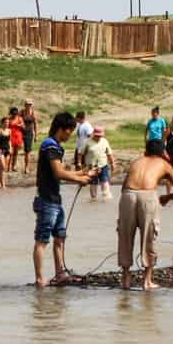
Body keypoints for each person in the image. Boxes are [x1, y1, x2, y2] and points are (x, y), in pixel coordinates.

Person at [32, 112, 98, 287]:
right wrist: (80, 179)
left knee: (60, 237)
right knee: (42, 240)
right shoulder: (50, 146)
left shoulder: (56, 147)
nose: (71, 135)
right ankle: (40, 279)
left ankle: (60, 273)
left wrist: (84, 173)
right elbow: (59, 173)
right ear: (62, 129)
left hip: (55, 200)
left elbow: (61, 173)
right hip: (46, 200)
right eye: (70, 131)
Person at [117, 138, 173, 290]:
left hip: (127, 195)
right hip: (148, 196)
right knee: (149, 237)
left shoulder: (136, 161)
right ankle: (147, 281)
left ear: (146, 150)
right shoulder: (164, 164)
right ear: (163, 152)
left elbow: (123, 187)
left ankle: (126, 279)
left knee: (125, 235)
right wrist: (167, 197)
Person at [84, 126, 114, 200]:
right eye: (97, 136)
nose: (98, 137)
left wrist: (112, 163)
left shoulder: (105, 141)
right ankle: (93, 198)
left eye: (99, 136)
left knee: (104, 181)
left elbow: (109, 153)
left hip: (103, 165)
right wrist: (79, 163)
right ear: (94, 134)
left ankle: (106, 197)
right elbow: (81, 154)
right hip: (91, 166)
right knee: (93, 183)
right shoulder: (87, 141)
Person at [19, 100, 38, 173]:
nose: (28, 106)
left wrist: (36, 135)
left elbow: (36, 124)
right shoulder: (21, 112)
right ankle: (12, 166)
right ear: (25, 105)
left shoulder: (33, 113)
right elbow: (17, 120)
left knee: (27, 151)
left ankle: (26, 167)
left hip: (29, 132)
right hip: (21, 131)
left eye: (30, 104)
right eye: (27, 104)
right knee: (16, 148)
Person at [7, 109, 26, 176]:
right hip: (11, 136)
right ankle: (8, 166)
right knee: (10, 152)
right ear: (11, 113)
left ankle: (13, 166)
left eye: (16, 114)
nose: (15, 115)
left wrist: (20, 125)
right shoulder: (9, 119)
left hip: (18, 136)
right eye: (13, 114)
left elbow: (24, 127)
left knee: (16, 152)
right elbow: (6, 126)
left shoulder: (20, 118)